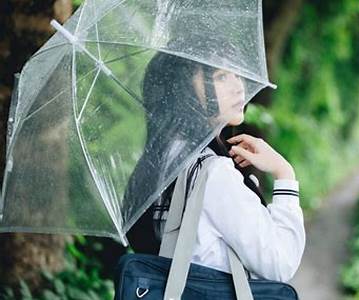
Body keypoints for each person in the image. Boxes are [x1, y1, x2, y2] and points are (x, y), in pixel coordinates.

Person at [125, 50, 306, 282]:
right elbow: (280, 263)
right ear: (183, 88)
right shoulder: (212, 173)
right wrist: (285, 173)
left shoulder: (163, 160)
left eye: (237, 75)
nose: (238, 87)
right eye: (220, 77)